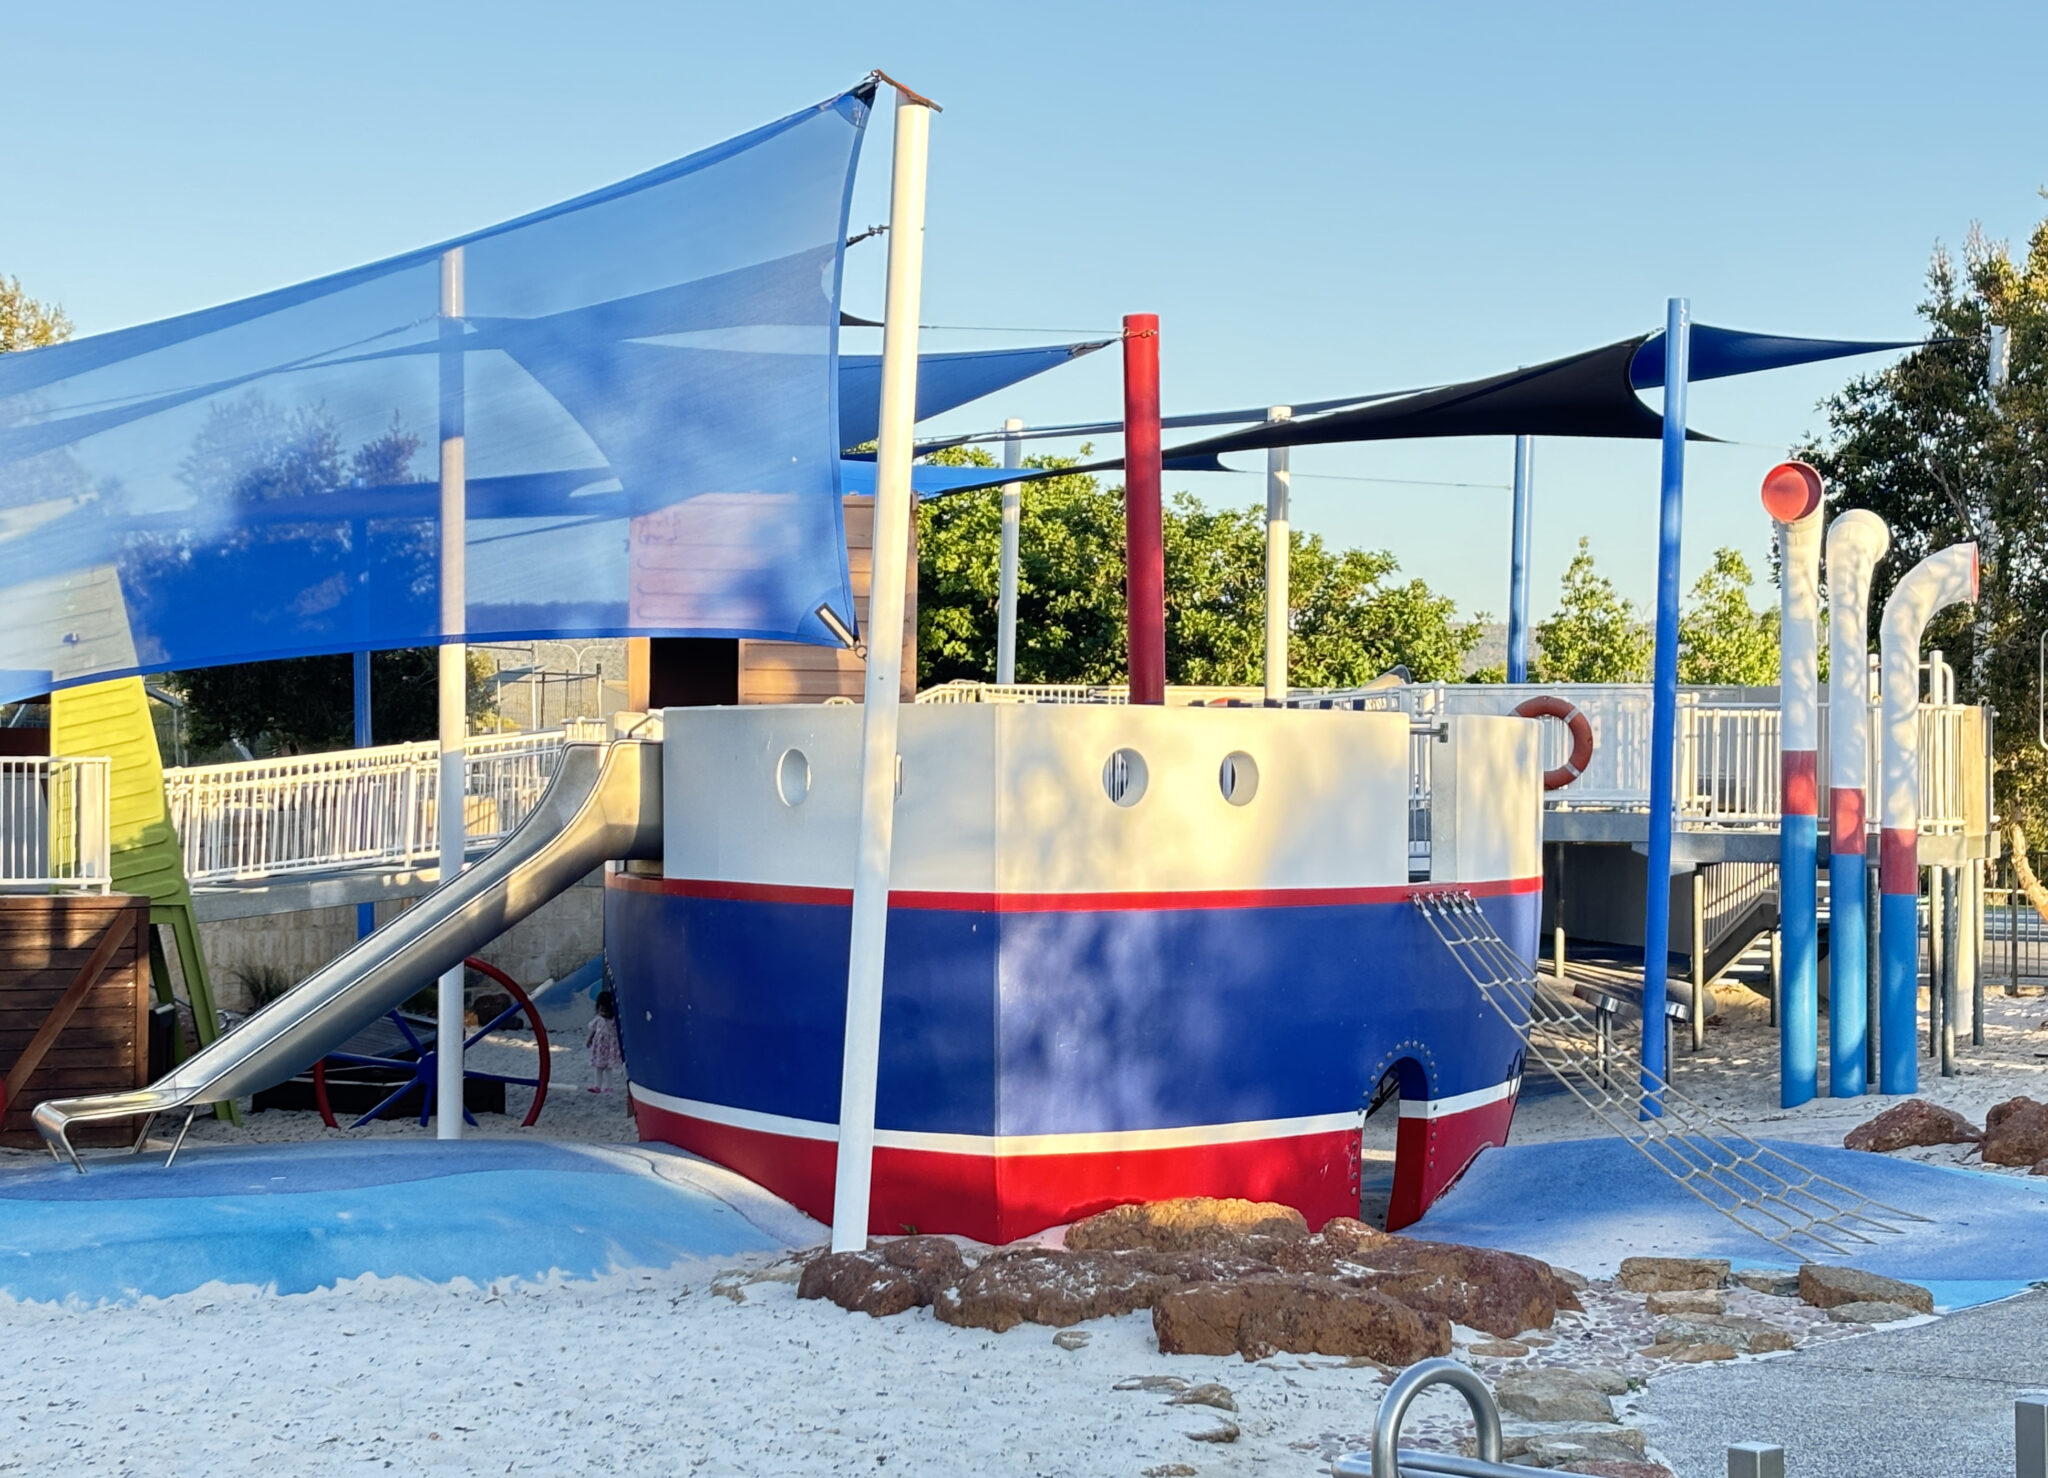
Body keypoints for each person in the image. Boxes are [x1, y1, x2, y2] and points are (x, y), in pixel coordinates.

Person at [586, 989, 623, 1094]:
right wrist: (589, 1039)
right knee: (598, 1067)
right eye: (601, 1010)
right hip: (599, 1047)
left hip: (610, 1046)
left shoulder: (613, 1020)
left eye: (606, 1011)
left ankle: (609, 1086)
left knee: (608, 1068)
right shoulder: (598, 1019)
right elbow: (593, 1030)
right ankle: (597, 1085)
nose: (603, 1013)